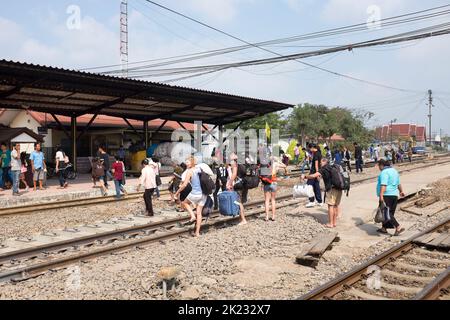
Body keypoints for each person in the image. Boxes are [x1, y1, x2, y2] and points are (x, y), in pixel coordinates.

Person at [303, 158, 343, 228]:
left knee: (330, 206)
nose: (320, 164)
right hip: (339, 188)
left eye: (321, 162)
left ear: (324, 161)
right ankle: (334, 223)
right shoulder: (332, 166)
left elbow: (313, 176)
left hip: (331, 189)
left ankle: (331, 223)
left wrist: (305, 176)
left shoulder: (324, 168)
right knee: (335, 206)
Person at [175, 157, 207, 237]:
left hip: (195, 193)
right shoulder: (200, 169)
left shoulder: (190, 171)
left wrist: (176, 193)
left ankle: (192, 216)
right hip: (204, 194)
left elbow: (184, 185)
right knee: (199, 214)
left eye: (188, 162)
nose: (186, 163)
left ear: (192, 162)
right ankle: (197, 233)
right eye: (186, 162)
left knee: (184, 203)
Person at [376, 159, 405, 236]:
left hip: (386, 195)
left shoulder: (384, 172)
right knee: (389, 212)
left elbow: (383, 185)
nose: (379, 168)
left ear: (382, 165)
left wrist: (381, 196)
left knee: (386, 212)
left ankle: (398, 226)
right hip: (394, 195)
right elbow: (398, 183)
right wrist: (401, 191)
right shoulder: (394, 171)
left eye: (379, 166)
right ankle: (384, 228)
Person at [263, 158, 286, 222]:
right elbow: (285, 166)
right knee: (273, 200)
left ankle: (267, 217)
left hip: (267, 183)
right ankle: (273, 216)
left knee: (267, 200)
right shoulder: (275, 164)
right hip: (274, 183)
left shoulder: (265, 165)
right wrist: (279, 161)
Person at [305, 144, 323, 208]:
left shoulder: (315, 154)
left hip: (314, 173)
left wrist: (317, 174)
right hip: (316, 172)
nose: (309, 150)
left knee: (309, 186)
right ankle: (320, 201)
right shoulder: (319, 153)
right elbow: (320, 164)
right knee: (316, 187)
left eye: (310, 148)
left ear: (312, 148)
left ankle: (312, 201)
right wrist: (319, 173)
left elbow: (316, 165)